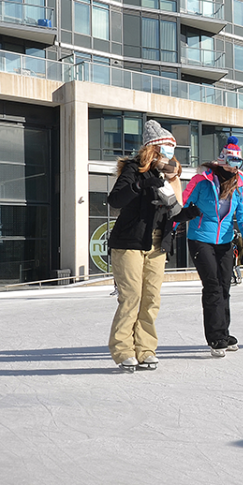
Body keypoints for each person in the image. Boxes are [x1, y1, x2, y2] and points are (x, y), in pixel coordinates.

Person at [105, 120, 190, 372]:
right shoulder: (134, 169)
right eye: (165, 146)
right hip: (130, 242)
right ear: (153, 148)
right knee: (132, 296)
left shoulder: (167, 176)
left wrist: (188, 214)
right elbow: (115, 200)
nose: (170, 153)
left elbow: (171, 214)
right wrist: (140, 185)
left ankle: (145, 349)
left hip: (156, 244)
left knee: (151, 298)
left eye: (172, 148)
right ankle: (123, 350)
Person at [180, 136, 243, 357]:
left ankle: (223, 331)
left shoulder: (239, 184)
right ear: (222, 160)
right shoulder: (202, 180)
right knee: (212, 286)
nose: (235, 168)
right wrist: (172, 226)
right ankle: (215, 337)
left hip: (224, 241)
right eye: (231, 162)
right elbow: (182, 203)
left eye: (238, 163)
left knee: (224, 287)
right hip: (200, 239)